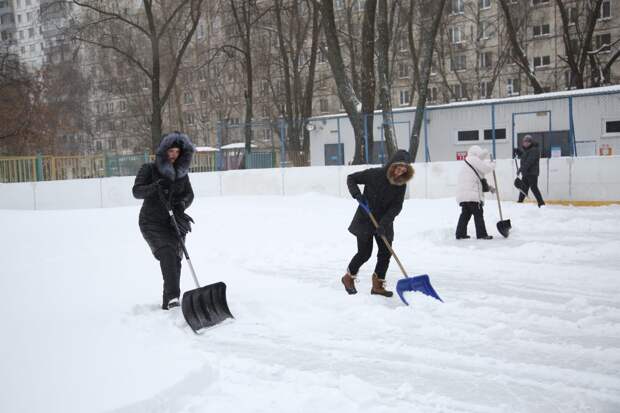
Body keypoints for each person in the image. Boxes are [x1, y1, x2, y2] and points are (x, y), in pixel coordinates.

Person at [132, 132, 195, 310]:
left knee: (175, 259)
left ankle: (170, 300)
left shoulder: (182, 174)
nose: (173, 155)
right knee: (167, 253)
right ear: (163, 151)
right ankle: (173, 297)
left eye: (177, 151)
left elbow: (190, 195)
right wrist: (154, 187)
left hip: (174, 222)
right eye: (170, 151)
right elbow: (136, 191)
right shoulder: (149, 169)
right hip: (151, 222)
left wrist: (182, 205)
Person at [341, 150, 415, 297]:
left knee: (385, 253)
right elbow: (351, 178)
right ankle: (348, 277)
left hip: (384, 221)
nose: (400, 171)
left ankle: (378, 285)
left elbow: (396, 206)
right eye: (398, 167)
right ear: (392, 164)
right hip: (365, 218)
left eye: (404, 168)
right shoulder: (374, 174)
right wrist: (358, 195)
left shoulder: (401, 184)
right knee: (364, 253)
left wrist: (384, 223)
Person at [455, 145, 495, 240]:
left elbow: (480, 180)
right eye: (480, 156)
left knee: (465, 214)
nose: (481, 159)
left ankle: (460, 234)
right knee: (478, 213)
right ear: (476, 154)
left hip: (464, 195)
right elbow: (487, 168)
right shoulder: (473, 159)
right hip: (472, 195)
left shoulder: (466, 164)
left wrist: (490, 188)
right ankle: (481, 234)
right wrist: (493, 164)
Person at [515, 134, 545, 207]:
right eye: (524, 142)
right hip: (526, 173)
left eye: (527, 142)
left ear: (531, 142)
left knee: (533, 187)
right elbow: (525, 159)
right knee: (523, 188)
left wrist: (521, 169)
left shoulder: (534, 150)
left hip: (532, 173)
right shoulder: (527, 150)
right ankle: (520, 202)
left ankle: (541, 203)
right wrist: (518, 153)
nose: (525, 143)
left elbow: (529, 162)